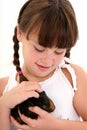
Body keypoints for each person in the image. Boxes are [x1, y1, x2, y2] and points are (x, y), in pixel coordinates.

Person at [0, 0, 87, 130]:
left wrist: (54, 125)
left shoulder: (71, 77)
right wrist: (3, 105)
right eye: (39, 49)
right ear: (20, 33)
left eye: (58, 52)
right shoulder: (4, 88)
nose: (48, 60)